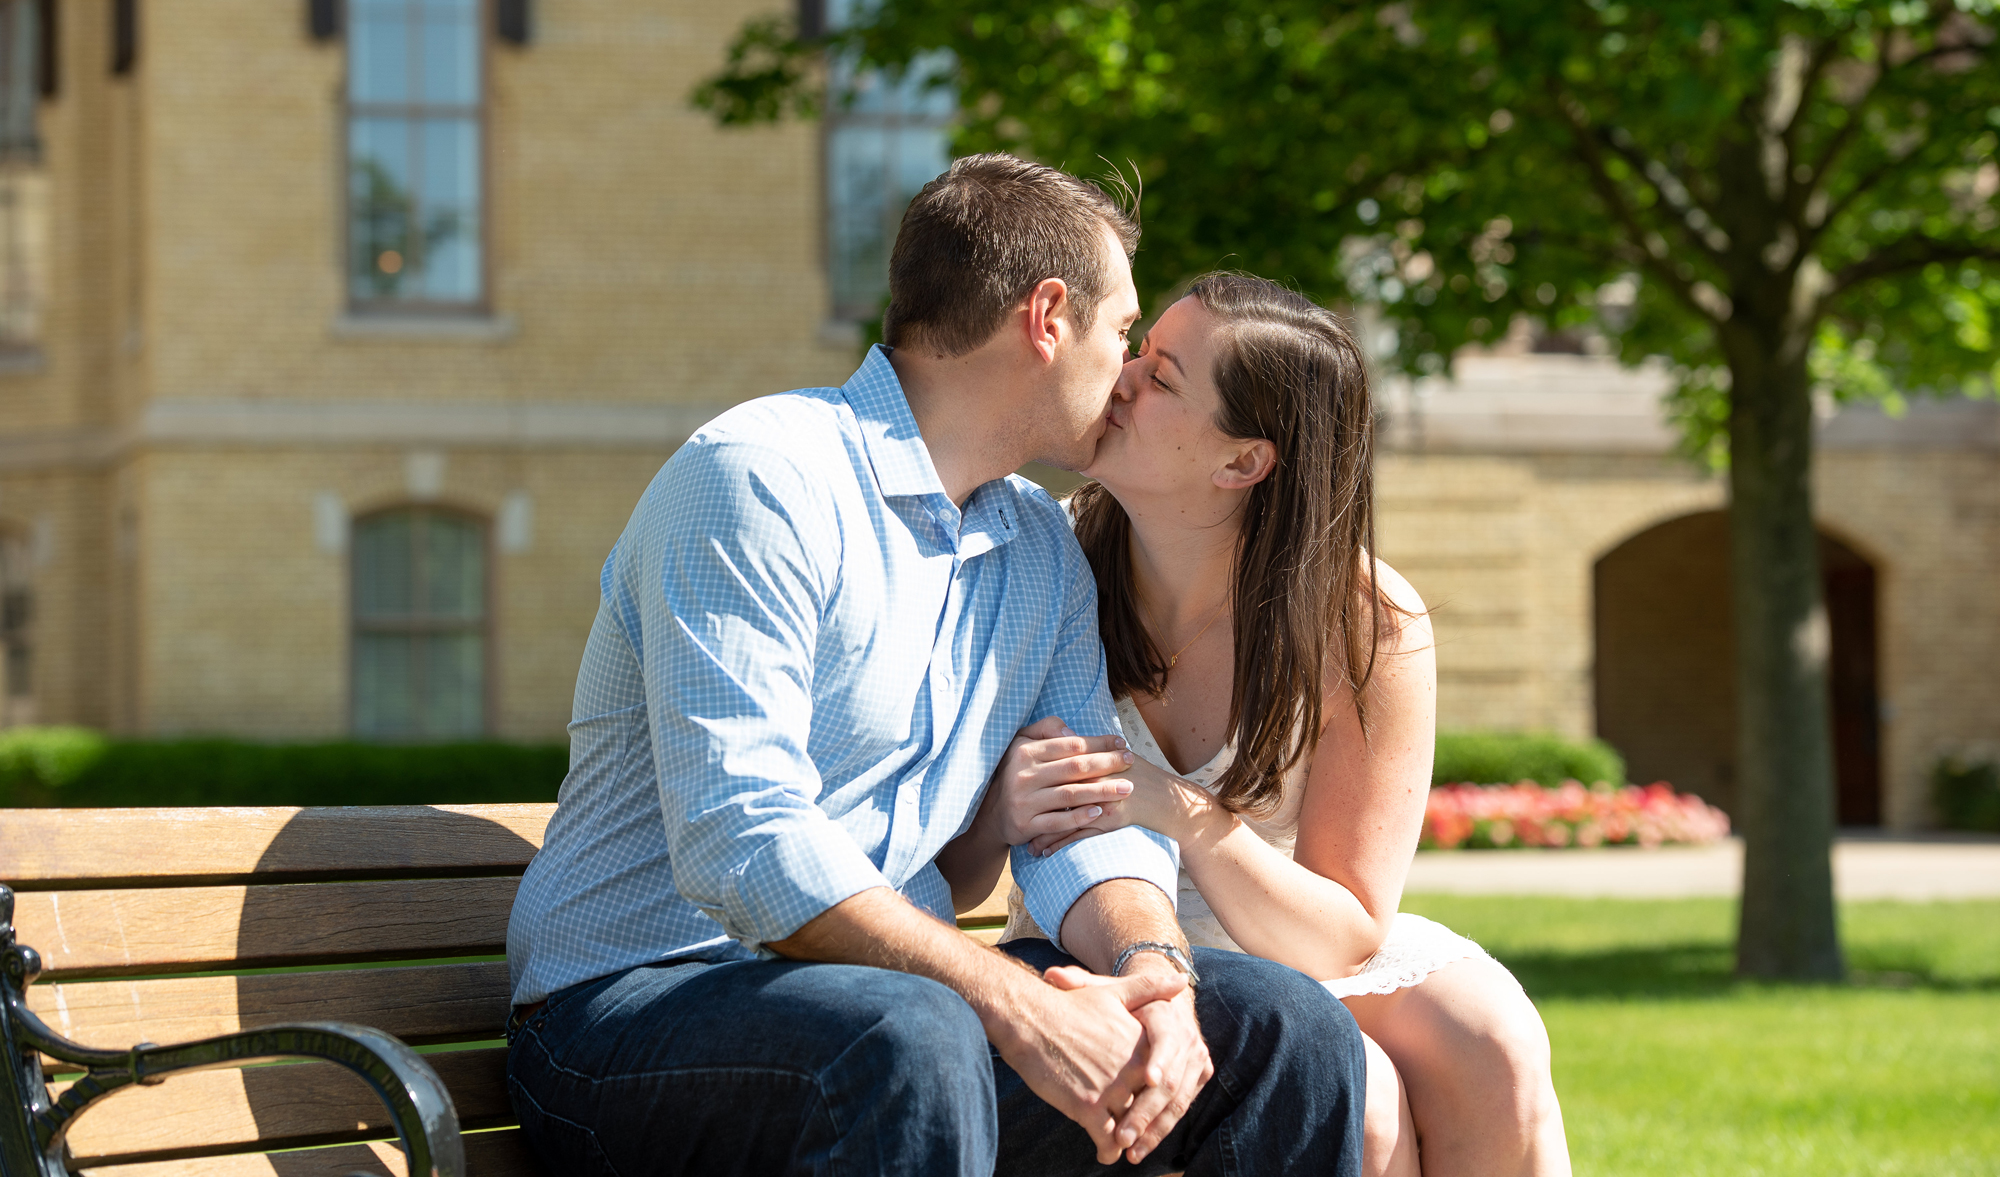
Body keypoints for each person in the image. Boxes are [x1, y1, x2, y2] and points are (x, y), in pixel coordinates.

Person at [504, 157, 1369, 1176]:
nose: (1127, 369)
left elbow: (1079, 816)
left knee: (1280, 1030)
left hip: (889, 1015)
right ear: (1047, 319)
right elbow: (741, 839)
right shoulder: (759, 481)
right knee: (915, 1034)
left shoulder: (1036, 549)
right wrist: (1007, 1001)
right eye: (1122, 331)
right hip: (630, 1012)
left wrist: (1155, 974)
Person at [953, 272, 1571, 1177]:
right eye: (1139, 349)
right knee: (1368, 1106)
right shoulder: (1045, 562)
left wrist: (1176, 808)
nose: (1120, 376)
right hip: (1103, 929)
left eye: (1162, 378)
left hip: (1292, 923)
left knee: (1496, 1043)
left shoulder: (1362, 620)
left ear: (1242, 462)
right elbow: (959, 863)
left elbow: (1348, 927)